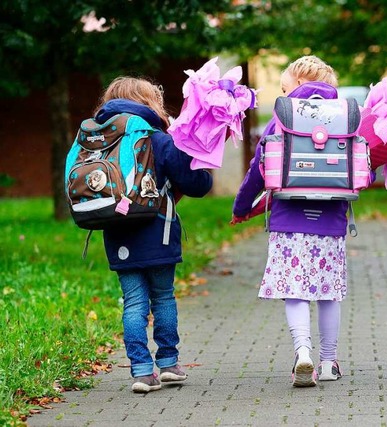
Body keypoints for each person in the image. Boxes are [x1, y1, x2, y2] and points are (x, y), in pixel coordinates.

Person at [92, 77, 213, 393]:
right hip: (157, 230)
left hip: (117, 233)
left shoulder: (100, 139)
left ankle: (142, 372)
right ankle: (169, 364)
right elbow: (198, 185)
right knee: (162, 296)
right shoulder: (158, 139)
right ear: (149, 103)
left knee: (133, 301)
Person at [231, 56, 346, 387]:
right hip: (331, 219)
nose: (283, 93)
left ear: (298, 83)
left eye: (284, 87)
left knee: (294, 290)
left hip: (288, 218)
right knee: (328, 293)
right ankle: (328, 362)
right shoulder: (345, 114)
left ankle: (303, 352)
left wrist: (241, 206)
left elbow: (258, 167)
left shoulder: (283, 114)